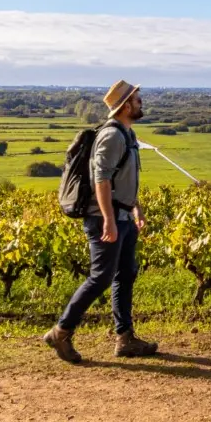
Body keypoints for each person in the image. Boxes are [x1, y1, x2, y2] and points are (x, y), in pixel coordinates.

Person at [43, 80, 159, 362]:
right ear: (126, 105)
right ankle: (60, 332)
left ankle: (125, 339)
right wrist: (108, 219)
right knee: (101, 277)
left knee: (125, 274)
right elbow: (101, 178)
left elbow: (124, 179)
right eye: (137, 98)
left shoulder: (127, 134)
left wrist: (136, 208)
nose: (141, 102)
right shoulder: (112, 136)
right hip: (105, 218)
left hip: (122, 216)